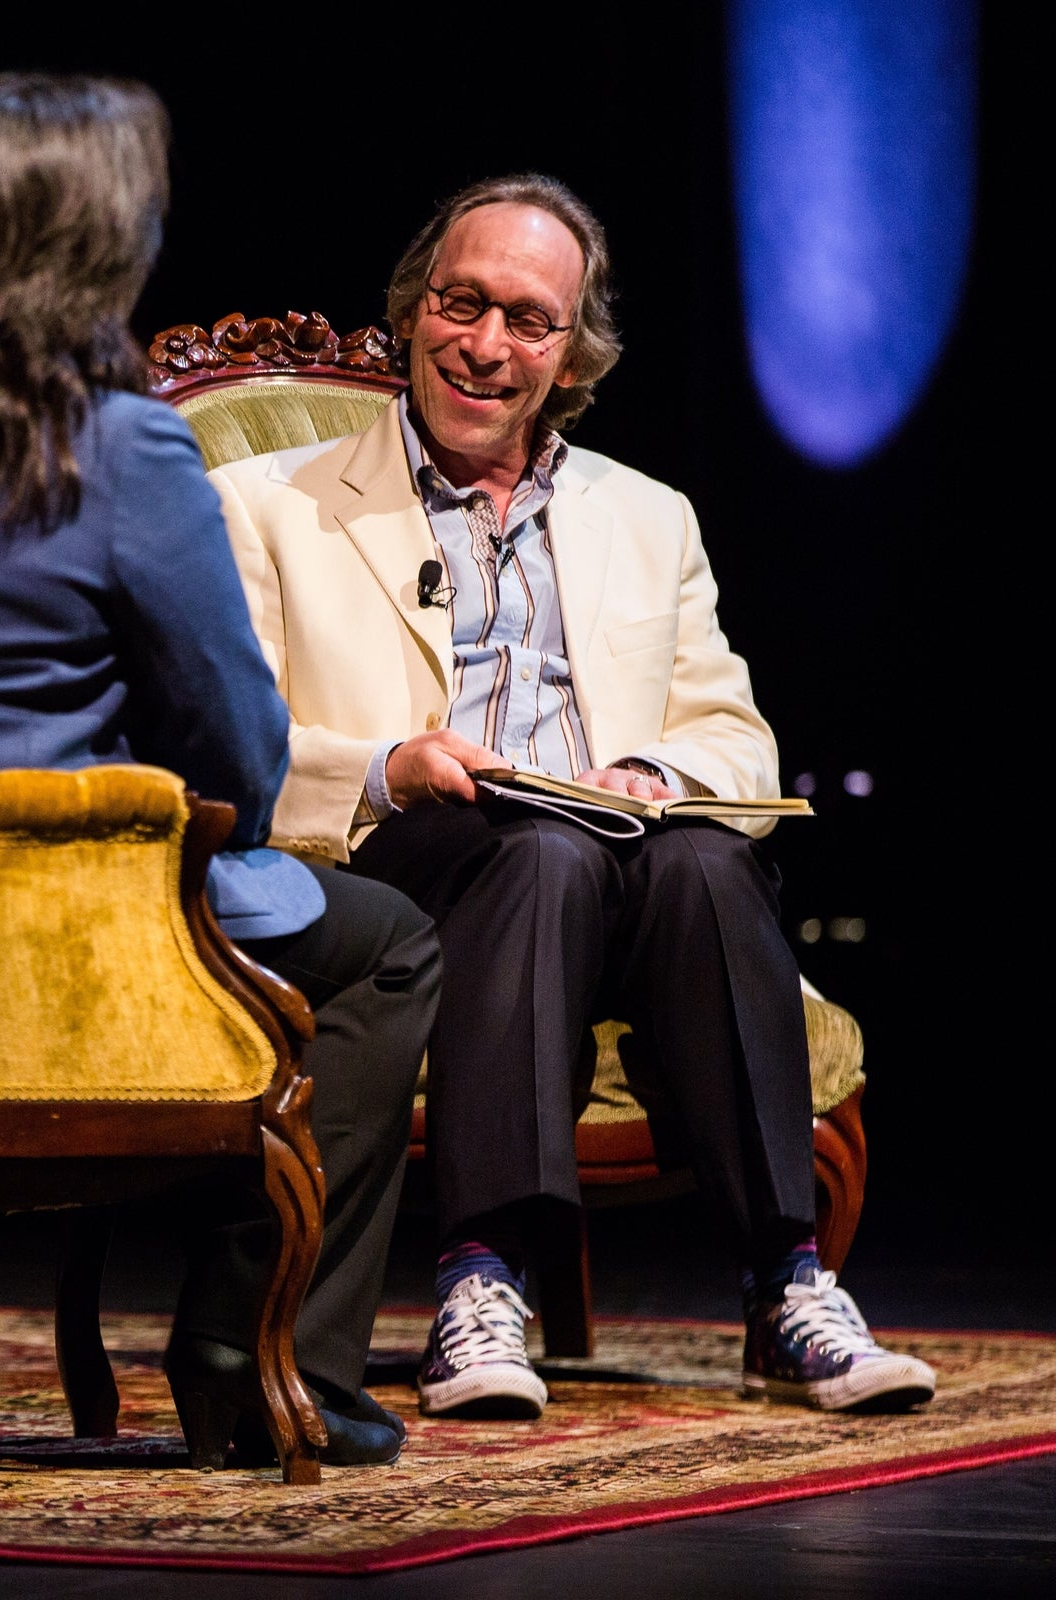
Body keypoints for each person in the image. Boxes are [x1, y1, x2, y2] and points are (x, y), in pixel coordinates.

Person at [0, 74, 441, 1467]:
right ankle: (256, 1350)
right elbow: (241, 753)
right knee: (389, 942)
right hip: (44, 966)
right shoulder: (119, 449)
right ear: (99, 254)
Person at [208, 174, 935, 1420]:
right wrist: (392, 762)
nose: (485, 345)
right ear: (414, 311)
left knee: (705, 861)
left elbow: (735, 737)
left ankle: (786, 1284)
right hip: (408, 876)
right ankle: (483, 1282)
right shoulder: (272, 505)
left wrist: (657, 777)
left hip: (623, 875)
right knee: (533, 852)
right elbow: (235, 741)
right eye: (461, 303)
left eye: (526, 321)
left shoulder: (650, 519)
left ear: (570, 353)